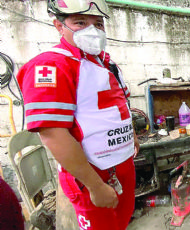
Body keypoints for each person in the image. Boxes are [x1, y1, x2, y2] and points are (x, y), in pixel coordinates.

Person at [16, 0, 139, 229]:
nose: (92, 30)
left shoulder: (106, 63)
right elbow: (53, 134)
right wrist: (95, 186)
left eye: (99, 24)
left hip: (122, 167)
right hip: (92, 176)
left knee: (120, 222)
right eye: (80, 22)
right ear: (59, 26)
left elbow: (121, 106)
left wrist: (131, 136)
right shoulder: (52, 65)